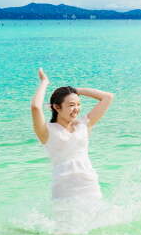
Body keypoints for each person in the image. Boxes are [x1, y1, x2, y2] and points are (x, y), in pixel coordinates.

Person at [30, 68, 114, 201]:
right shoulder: (46, 131)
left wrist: (73, 91)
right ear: (56, 107)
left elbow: (107, 97)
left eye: (78, 104)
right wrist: (45, 82)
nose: (76, 109)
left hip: (89, 186)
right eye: (71, 105)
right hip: (64, 190)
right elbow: (35, 107)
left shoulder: (84, 125)